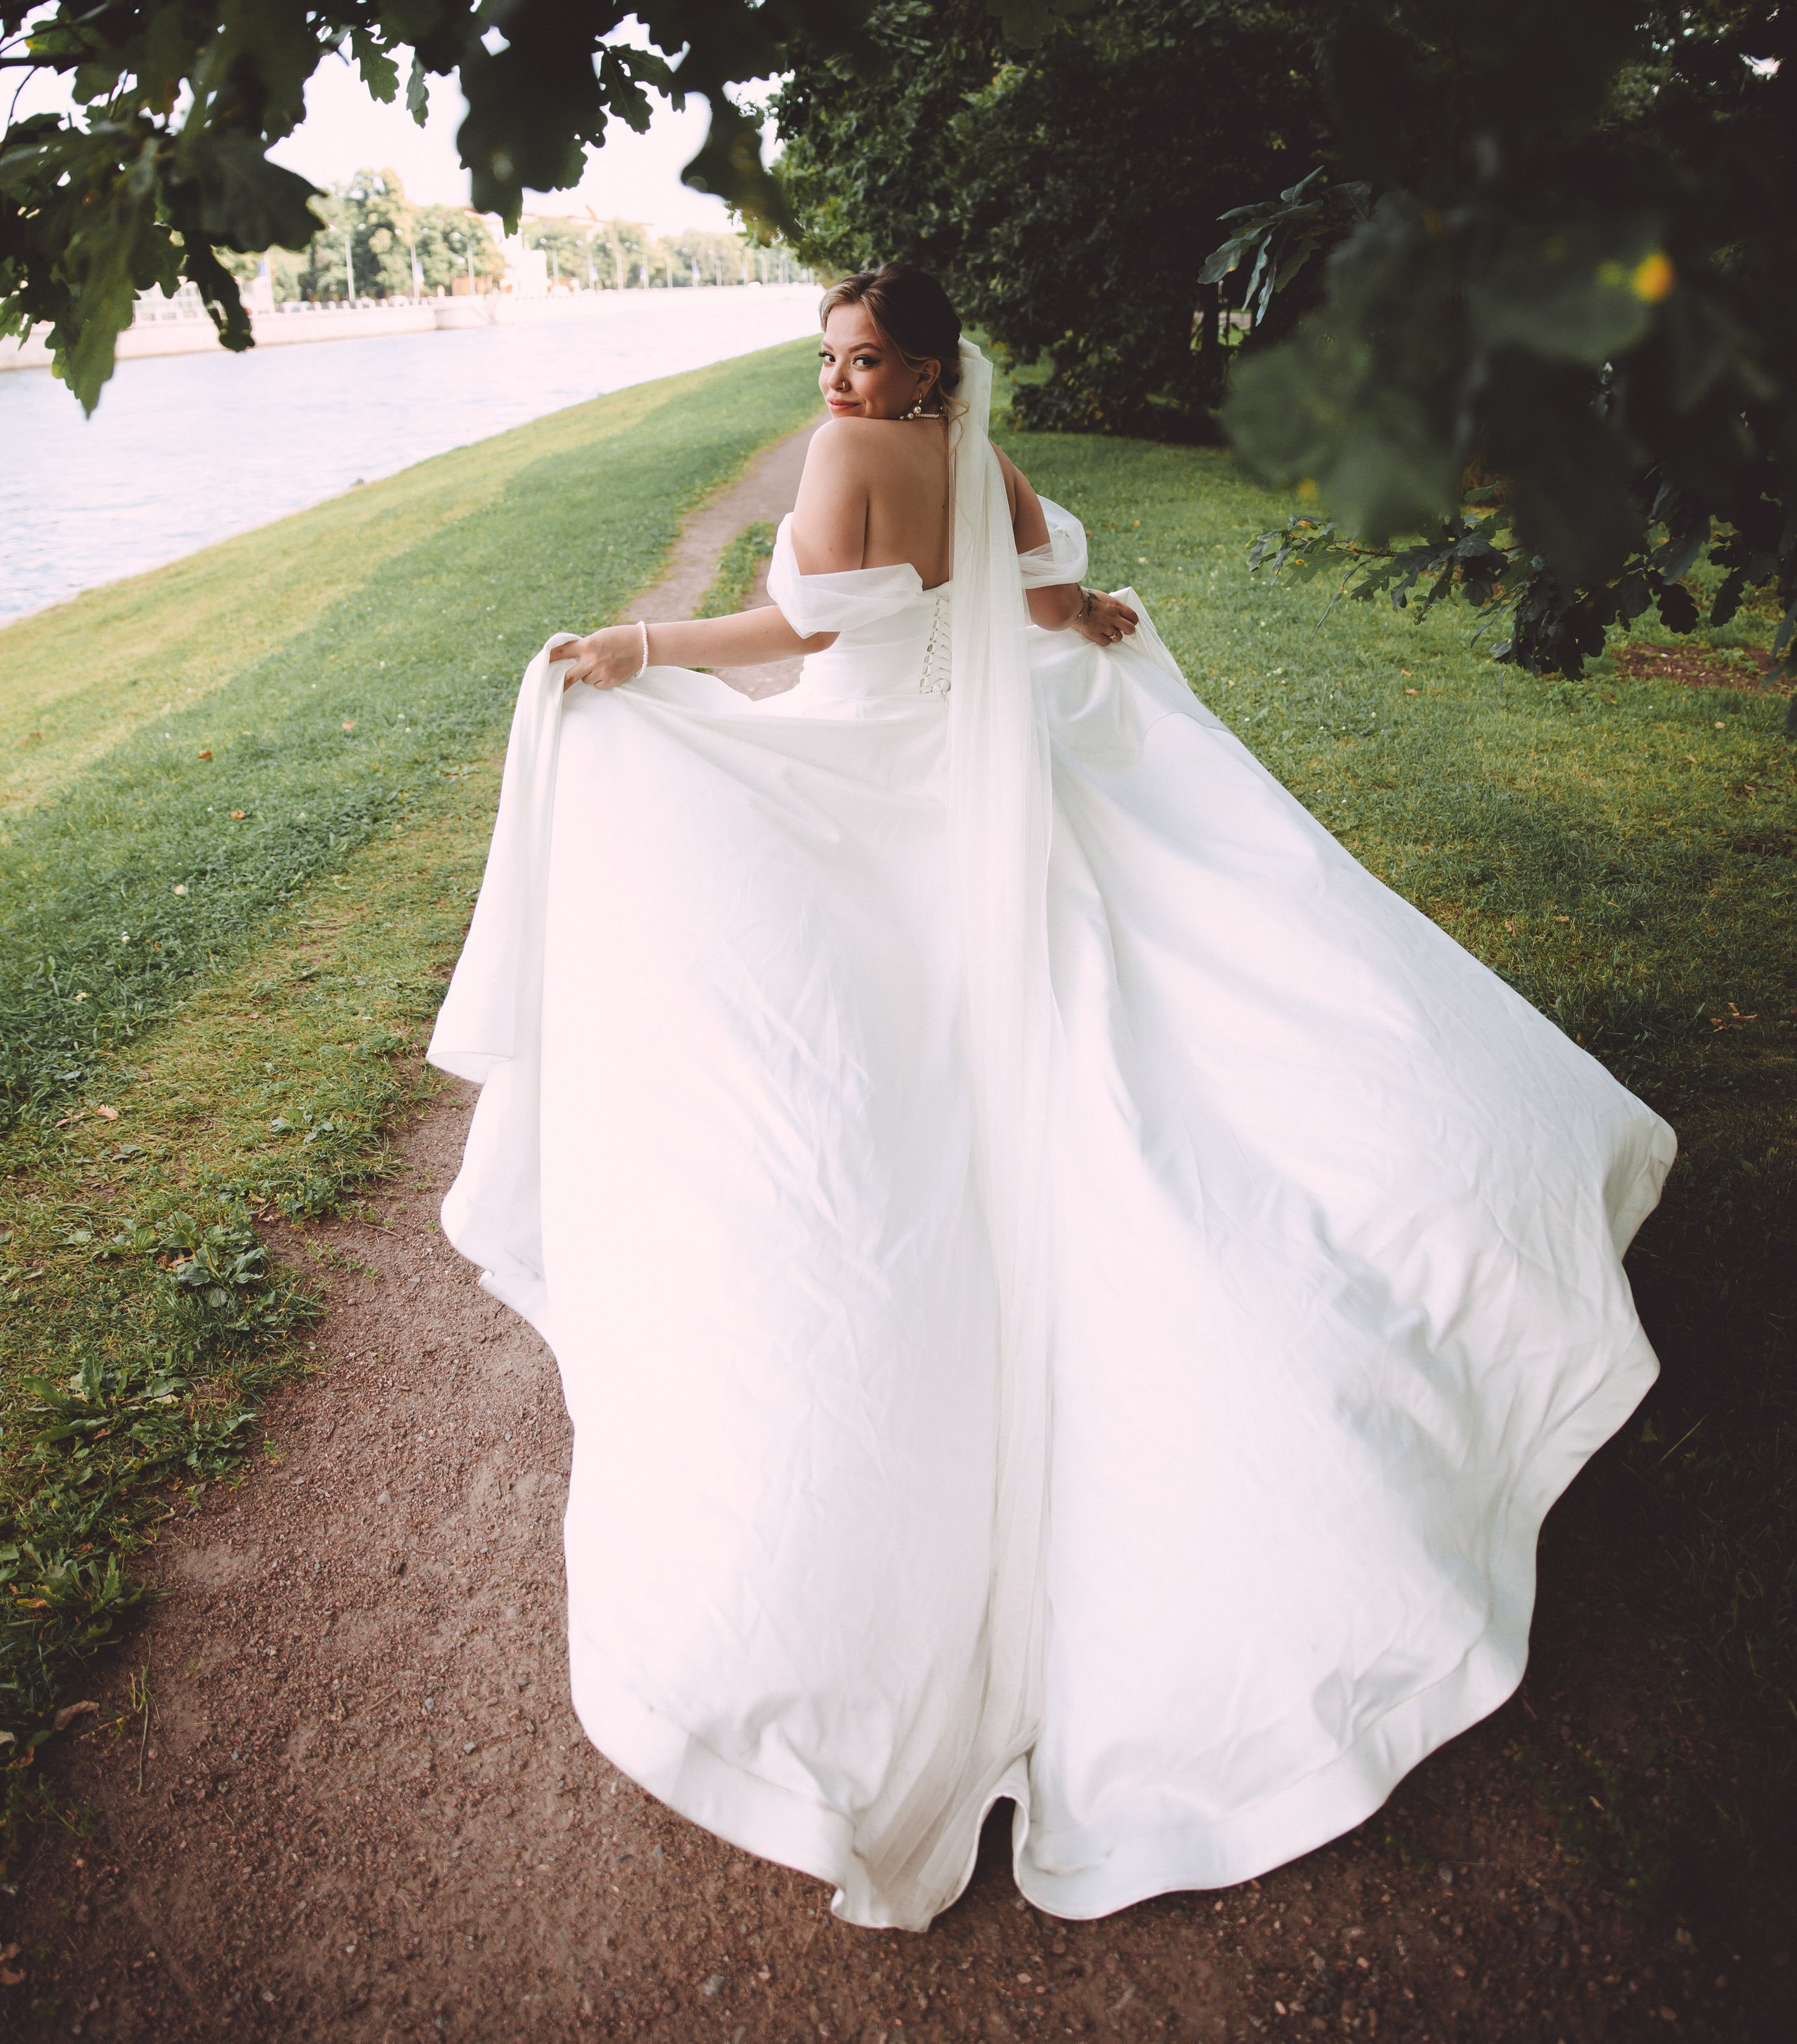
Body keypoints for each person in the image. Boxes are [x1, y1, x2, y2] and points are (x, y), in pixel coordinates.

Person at [429, 263, 1672, 1934]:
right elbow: (1025, 596)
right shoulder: (976, 460)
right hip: (981, 784)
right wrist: (1086, 620)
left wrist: (638, 647)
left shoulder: (839, 460)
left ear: (927, 367)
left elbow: (793, 634)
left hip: (877, 786)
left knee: (859, 1104)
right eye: (830, 360)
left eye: (867, 360)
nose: (843, 383)